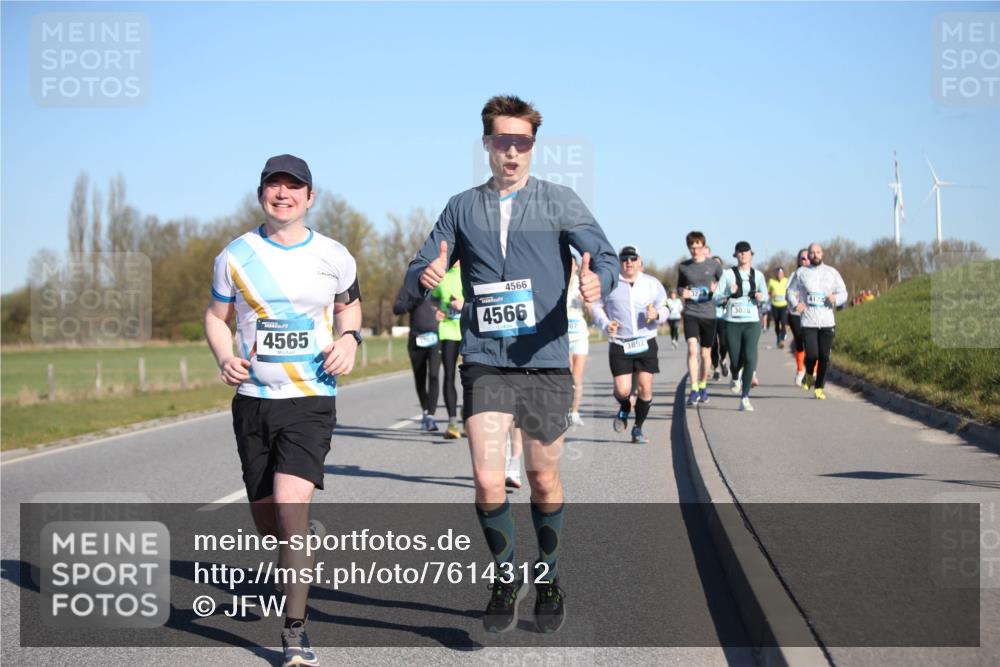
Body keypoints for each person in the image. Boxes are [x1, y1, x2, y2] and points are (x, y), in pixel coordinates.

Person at [404, 95, 618, 634]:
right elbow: (422, 264)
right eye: (504, 141)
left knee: (543, 478)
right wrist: (424, 276)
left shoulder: (559, 201)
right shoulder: (461, 207)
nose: (513, 152)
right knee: (487, 476)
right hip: (485, 359)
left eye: (523, 142)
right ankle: (504, 579)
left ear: (532, 147)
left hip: (543, 359)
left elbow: (604, 256)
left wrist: (599, 279)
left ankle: (547, 577)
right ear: (487, 144)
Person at [205, 154, 362, 667]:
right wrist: (225, 355)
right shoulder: (235, 255)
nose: (283, 194)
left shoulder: (334, 255)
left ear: (310, 198)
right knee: (269, 522)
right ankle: (298, 547)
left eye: (294, 187)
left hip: (310, 400)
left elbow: (349, 306)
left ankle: (295, 631)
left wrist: (350, 339)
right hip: (253, 402)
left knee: (291, 510)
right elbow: (216, 316)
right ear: (261, 195)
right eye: (274, 186)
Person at [592, 245, 668, 444]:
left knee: (645, 387)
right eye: (625, 259)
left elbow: (665, 306)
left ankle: (638, 428)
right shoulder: (610, 283)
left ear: (639, 261)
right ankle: (625, 406)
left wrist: (657, 314)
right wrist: (606, 324)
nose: (629, 262)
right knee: (623, 390)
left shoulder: (652, 283)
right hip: (620, 342)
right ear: (619, 262)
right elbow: (596, 307)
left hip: (646, 340)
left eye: (633, 258)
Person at [786, 242, 848, 400]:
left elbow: (844, 293)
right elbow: (790, 292)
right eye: (812, 253)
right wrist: (796, 304)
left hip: (827, 321)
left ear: (822, 254)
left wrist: (836, 298)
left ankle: (819, 388)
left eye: (818, 252)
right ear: (808, 255)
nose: (815, 255)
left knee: (824, 357)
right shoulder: (801, 272)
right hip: (809, 321)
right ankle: (808, 374)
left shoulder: (832, 272)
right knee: (812, 354)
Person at [714, 242, 768, 411]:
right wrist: (728, 292)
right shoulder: (728, 274)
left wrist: (760, 296)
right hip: (732, 323)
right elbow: (715, 298)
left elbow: (766, 296)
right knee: (736, 360)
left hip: (752, 322)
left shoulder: (758, 275)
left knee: (750, 358)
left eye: (746, 252)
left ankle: (745, 397)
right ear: (736, 255)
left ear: (751, 254)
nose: (743, 254)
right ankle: (735, 374)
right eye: (740, 252)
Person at [678, 232, 723, 406]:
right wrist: (683, 292)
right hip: (691, 313)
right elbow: (679, 287)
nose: (695, 251)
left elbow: (724, 284)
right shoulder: (684, 267)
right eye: (692, 248)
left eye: (698, 247)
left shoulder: (713, 266)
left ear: (704, 247)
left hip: (708, 314)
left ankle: (703, 385)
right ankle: (694, 388)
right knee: (692, 350)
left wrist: (716, 288)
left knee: (705, 355)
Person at [393, 285, 441, 431]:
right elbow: (397, 308)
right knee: (420, 378)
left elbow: (448, 302)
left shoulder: (438, 286)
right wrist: (413, 303)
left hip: (435, 337)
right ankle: (425, 411)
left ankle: (431, 416)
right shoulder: (410, 287)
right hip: (416, 338)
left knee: (434, 375)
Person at [432, 261, 464, 438]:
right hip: (448, 331)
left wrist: (464, 304)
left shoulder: (469, 270)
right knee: (449, 375)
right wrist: (437, 310)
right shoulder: (441, 275)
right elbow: (433, 298)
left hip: (468, 331)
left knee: (472, 376)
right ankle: (452, 423)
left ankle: (468, 412)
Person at [566, 256, 591, 427]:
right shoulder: (557, 282)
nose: (569, 266)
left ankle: (574, 412)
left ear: (576, 266)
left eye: (572, 264)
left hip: (580, 335)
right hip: (563, 336)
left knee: (577, 378)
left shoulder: (582, 283)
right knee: (566, 376)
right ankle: (565, 410)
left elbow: (591, 310)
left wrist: (587, 302)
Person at [787, 249, 810, 385]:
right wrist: (796, 304)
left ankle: (813, 372)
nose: (806, 260)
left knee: (813, 344)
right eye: (803, 258)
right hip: (796, 313)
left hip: (812, 314)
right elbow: (788, 292)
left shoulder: (818, 274)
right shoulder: (794, 275)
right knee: (800, 341)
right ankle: (800, 369)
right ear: (799, 261)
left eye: (808, 257)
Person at [768, 267, 789, 348]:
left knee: (783, 322)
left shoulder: (786, 281)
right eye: (778, 273)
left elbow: (790, 290)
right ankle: (778, 337)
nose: (780, 275)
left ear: (783, 274)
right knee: (777, 323)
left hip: (784, 305)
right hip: (775, 305)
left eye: (781, 273)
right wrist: (771, 293)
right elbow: (767, 292)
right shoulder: (771, 281)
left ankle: (782, 340)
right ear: (776, 274)